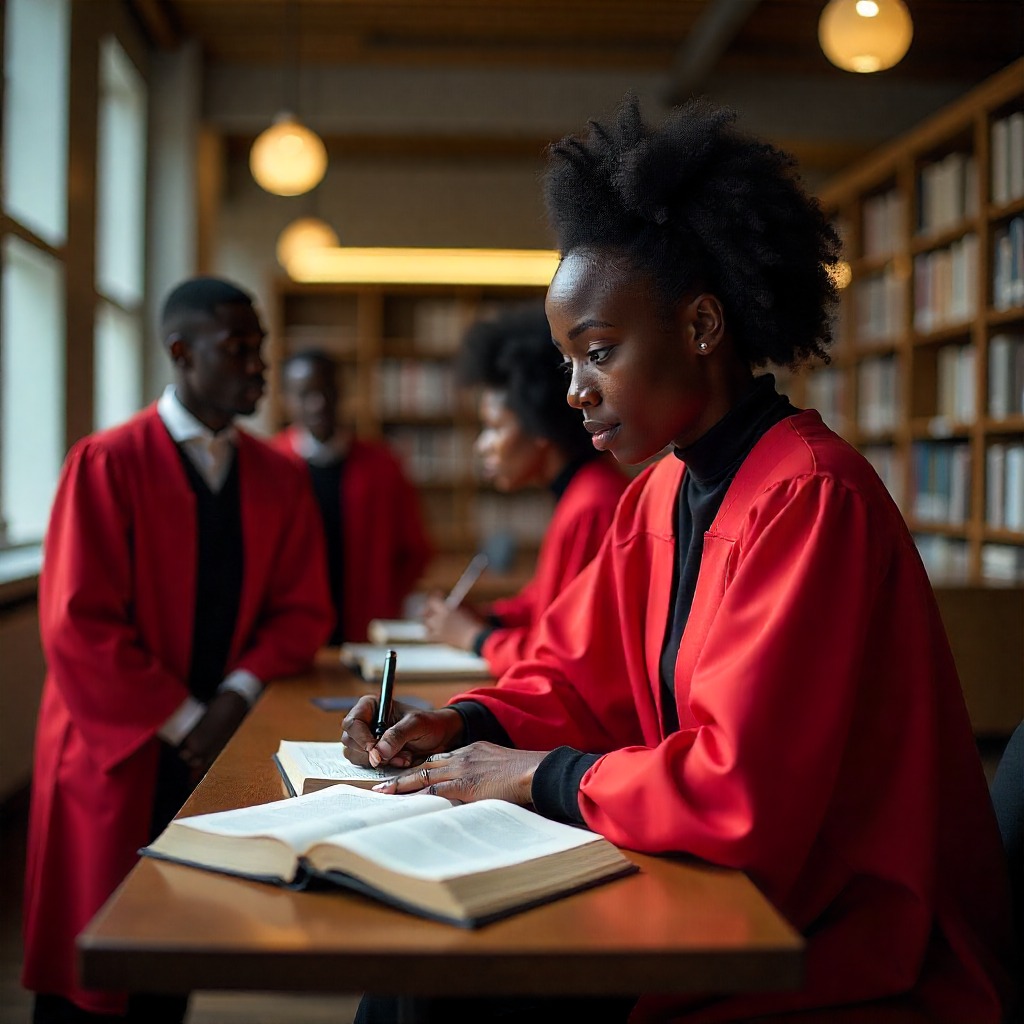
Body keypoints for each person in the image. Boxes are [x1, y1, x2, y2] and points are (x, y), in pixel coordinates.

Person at [342, 97, 1017, 1023]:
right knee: (420, 976)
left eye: (598, 352)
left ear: (702, 327)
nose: (574, 392)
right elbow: (577, 675)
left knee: (433, 997)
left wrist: (534, 775)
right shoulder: (659, 495)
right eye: (567, 360)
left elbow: (742, 785)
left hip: (828, 932)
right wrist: (463, 723)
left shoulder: (810, 496)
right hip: (709, 884)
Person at [22, 277, 334, 1023]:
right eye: (240, 348)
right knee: (91, 961)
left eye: (260, 347)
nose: (259, 365)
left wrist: (234, 697)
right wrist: (185, 717)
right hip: (117, 742)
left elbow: (303, 608)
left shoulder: (278, 475)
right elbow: (77, 622)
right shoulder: (108, 463)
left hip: (219, 741)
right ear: (181, 353)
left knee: (177, 938)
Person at [420, 303, 629, 677]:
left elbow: (564, 657)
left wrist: (475, 637)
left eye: (495, 427)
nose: (482, 445)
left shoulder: (592, 505)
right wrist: (487, 617)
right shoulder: (580, 492)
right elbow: (545, 604)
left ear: (539, 428)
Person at [272, 348, 432, 644]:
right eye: (305, 394)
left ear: (341, 392)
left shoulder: (383, 466)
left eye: (326, 391)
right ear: (286, 399)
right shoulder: (269, 465)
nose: (318, 404)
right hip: (288, 630)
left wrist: (385, 596)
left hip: (366, 626)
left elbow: (414, 550)